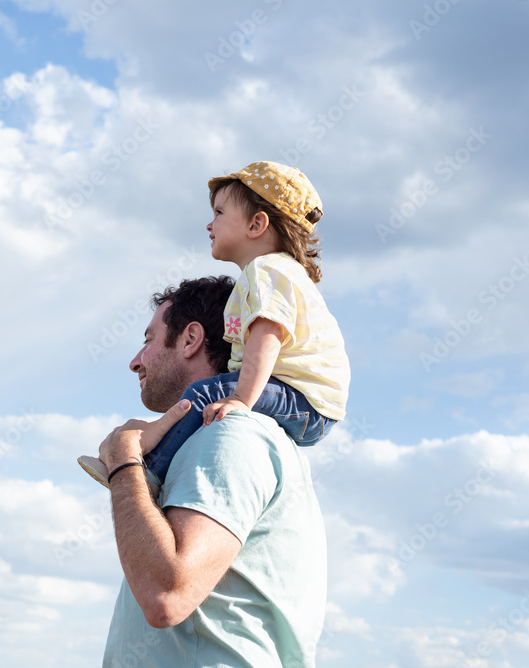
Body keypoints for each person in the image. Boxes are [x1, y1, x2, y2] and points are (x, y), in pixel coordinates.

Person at [96, 277, 327, 667]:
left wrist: (124, 465)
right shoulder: (213, 437)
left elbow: (166, 596)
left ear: (190, 340)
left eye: (149, 340)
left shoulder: (229, 434)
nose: (135, 360)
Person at [79, 160, 350, 491]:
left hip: (304, 400)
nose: (210, 224)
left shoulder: (267, 270)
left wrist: (241, 398)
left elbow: (268, 336)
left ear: (256, 224)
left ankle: (151, 471)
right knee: (214, 398)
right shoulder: (274, 273)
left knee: (207, 393)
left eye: (220, 213)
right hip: (307, 404)